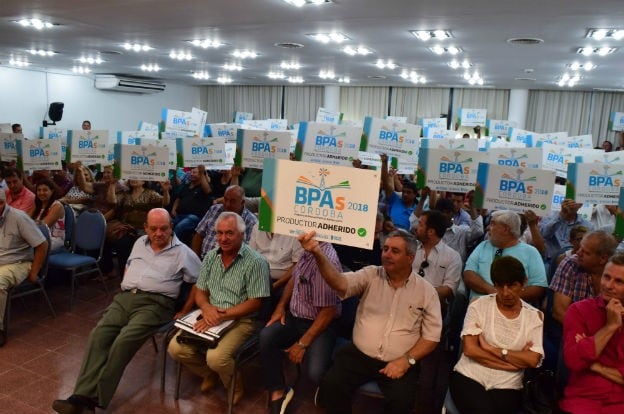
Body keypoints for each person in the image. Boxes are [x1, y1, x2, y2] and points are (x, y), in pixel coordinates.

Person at [52, 208, 201, 413]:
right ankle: (80, 397)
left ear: (171, 227)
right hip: (125, 298)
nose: (159, 233)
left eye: (164, 228)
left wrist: (185, 309)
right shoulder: (139, 243)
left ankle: (90, 400)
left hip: (156, 303)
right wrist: (128, 282)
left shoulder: (184, 253)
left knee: (123, 341)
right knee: (99, 335)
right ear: (146, 228)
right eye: (154, 229)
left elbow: (199, 283)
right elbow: (129, 265)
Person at [298, 229, 442, 414]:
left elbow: (431, 338)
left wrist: (407, 360)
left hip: (400, 359)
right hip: (359, 354)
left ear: (410, 258)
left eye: (395, 251)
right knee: (331, 386)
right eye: (385, 249)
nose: (387, 255)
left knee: (402, 403)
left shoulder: (427, 292)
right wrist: (317, 252)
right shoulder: (371, 275)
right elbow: (339, 283)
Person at [168, 212, 270, 405]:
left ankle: (234, 384)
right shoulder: (210, 257)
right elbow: (200, 289)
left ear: (242, 234)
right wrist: (206, 309)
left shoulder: (256, 262)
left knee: (216, 358)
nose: (223, 238)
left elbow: (255, 302)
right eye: (219, 233)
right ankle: (210, 374)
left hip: (241, 319)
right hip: (209, 314)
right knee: (175, 348)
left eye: (229, 233)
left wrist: (222, 315)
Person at [450, 256, 544, 414]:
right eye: (500, 286)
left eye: (512, 285)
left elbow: (533, 360)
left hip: (508, 385)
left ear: (524, 283)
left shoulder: (534, 316)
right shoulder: (478, 305)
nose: (505, 293)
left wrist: (490, 349)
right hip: (469, 377)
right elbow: (470, 350)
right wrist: (511, 364)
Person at [260, 242, 342, 414]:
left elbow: (329, 310)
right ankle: (278, 390)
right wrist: (280, 306)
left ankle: (326, 386)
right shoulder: (307, 249)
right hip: (295, 316)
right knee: (267, 337)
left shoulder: (327, 260)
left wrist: (302, 344)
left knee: (315, 372)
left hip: (320, 324)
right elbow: (295, 279)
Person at [411, 209, 462, 414]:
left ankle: (422, 407)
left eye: (421, 224)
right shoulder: (411, 249)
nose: (417, 227)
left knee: (428, 369)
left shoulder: (452, 256)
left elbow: (450, 289)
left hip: (434, 314)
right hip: (405, 311)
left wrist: (422, 294)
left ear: (431, 231)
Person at [559, 254, 624, 413]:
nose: (608, 285)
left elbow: (582, 360)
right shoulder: (578, 311)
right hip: (583, 400)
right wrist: (610, 327)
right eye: (606, 277)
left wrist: (596, 366)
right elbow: (574, 361)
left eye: (619, 281)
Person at [464, 210, 548, 303]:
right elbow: (468, 274)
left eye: (492, 224)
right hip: (479, 306)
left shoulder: (531, 252)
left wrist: (507, 297)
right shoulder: (483, 245)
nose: (488, 228)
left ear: (505, 229)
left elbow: (538, 288)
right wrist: (493, 292)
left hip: (514, 310)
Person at [0, 189, 48, 346]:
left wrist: (34, 271)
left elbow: (42, 245)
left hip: (18, 262)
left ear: (2, 203)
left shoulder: (19, 218)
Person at [550, 230, 617, 324]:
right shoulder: (571, 264)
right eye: (580, 248)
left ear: (602, 259)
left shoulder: (617, 272)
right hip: (573, 329)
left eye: (585, 252)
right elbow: (559, 312)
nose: (578, 253)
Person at [106, 179, 171, 268]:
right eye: (132, 176)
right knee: (121, 245)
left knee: (142, 248)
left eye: (137, 177)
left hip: (144, 229)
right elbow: (112, 201)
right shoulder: (125, 194)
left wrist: (165, 190)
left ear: (144, 181)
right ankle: (125, 275)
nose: (134, 179)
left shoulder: (150, 193)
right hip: (127, 229)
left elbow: (165, 202)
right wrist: (112, 185)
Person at [191, 185, 257, 259]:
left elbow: (249, 252)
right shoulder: (214, 210)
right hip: (203, 260)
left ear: (242, 202)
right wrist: (195, 259)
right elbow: (199, 234)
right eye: (225, 199)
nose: (227, 204)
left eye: (232, 201)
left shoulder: (251, 221)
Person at [540, 199, 592, 266]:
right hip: (549, 261)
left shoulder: (587, 225)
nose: (572, 203)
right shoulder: (550, 216)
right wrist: (562, 215)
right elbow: (545, 234)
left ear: (581, 205)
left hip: (575, 263)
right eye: (570, 200)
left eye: (575, 201)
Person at [170, 165, 213, 243]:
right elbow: (178, 198)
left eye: (195, 172)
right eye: (191, 172)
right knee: (167, 225)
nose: (192, 174)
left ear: (201, 174)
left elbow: (207, 190)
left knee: (179, 227)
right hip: (179, 215)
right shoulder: (186, 186)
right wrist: (173, 209)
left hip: (193, 217)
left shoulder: (204, 187)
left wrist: (202, 173)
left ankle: (172, 247)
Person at [381, 154, 419, 230]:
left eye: (408, 192)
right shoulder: (395, 199)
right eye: (404, 191)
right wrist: (384, 163)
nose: (405, 194)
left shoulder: (417, 210)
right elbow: (385, 181)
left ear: (415, 194)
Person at [29, 178, 66, 252]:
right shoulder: (37, 205)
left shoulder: (57, 206)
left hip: (53, 240)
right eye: (39, 190)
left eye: (45, 190)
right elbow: (25, 219)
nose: (41, 193)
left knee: (24, 248)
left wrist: (28, 224)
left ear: (52, 191)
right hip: (37, 237)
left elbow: (43, 226)